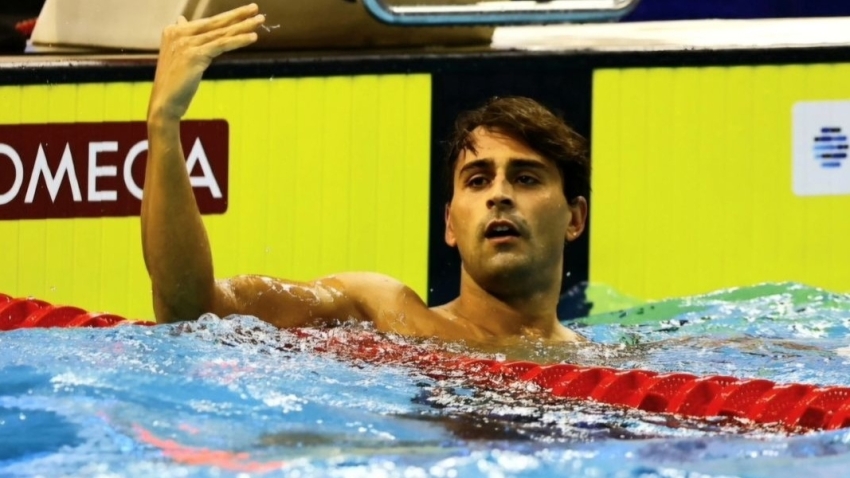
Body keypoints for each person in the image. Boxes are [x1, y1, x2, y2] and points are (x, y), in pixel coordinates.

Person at [142, 3, 589, 344]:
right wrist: (163, 124)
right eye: (477, 179)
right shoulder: (384, 314)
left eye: (527, 178)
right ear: (450, 223)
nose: (500, 195)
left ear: (575, 218)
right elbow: (192, 310)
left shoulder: (617, 367)